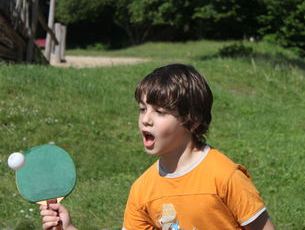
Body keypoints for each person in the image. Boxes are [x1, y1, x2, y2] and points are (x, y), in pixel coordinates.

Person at [40, 64, 275, 230]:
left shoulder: (225, 177)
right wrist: (68, 228)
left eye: (160, 112)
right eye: (143, 109)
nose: (146, 119)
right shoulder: (143, 189)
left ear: (190, 120)